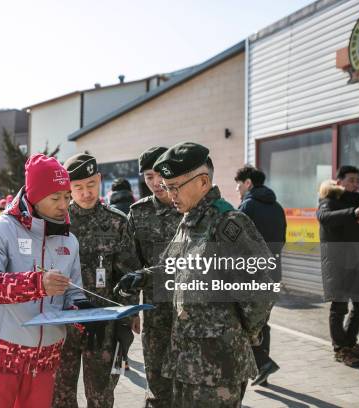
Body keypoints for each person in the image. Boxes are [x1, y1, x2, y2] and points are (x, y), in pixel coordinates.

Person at [115, 142, 275, 408]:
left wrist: (242, 334)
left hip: (218, 364)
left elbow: (260, 292)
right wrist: (143, 277)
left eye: (175, 186)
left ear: (202, 182)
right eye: (167, 187)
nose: (169, 193)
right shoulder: (188, 222)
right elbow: (174, 267)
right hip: (187, 361)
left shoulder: (228, 223)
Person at [0, 153, 98, 408]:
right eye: (56, 198)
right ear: (35, 197)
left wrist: (83, 313)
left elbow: (73, 291)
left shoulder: (69, 241)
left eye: (67, 197)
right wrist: (37, 284)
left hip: (44, 359)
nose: (65, 205)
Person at [53, 153, 141, 408]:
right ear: (68, 188)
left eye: (91, 185)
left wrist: (128, 315)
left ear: (100, 180)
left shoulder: (116, 222)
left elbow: (128, 273)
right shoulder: (58, 222)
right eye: (78, 187)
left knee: (101, 395)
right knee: (59, 394)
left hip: (104, 325)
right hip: (63, 321)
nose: (86, 193)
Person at [127, 146, 182, 408]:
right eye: (148, 177)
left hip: (191, 310)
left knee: (188, 382)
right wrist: (132, 310)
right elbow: (131, 264)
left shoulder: (189, 206)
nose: (155, 182)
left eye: (159, 175)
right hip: (154, 311)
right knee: (157, 380)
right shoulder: (138, 213)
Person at [317, 166, 359, 368]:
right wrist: (354, 212)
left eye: (358, 180)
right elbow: (324, 218)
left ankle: (349, 342)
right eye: (352, 180)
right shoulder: (328, 201)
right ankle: (341, 349)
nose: (356, 184)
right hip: (338, 264)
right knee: (339, 307)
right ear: (340, 182)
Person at [235, 165, 286, 386]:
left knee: (244, 322)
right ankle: (261, 370)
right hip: (273, 272)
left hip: (251, 274)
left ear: (248, 183)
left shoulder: (247, 206)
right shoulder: (277, 206)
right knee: (261, 321)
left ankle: (262, 364)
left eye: (239, 184)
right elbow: (281, 239)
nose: (237, 188)